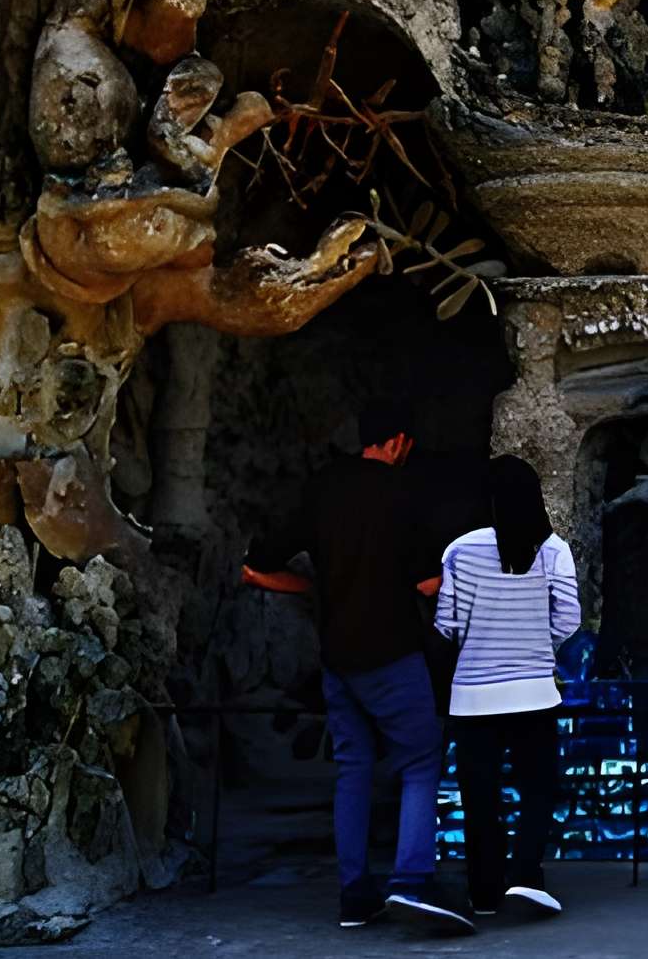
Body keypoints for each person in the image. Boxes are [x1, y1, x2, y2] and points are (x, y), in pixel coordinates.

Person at [244, 397, 466, 933]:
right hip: (392, 652)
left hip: (337, 658)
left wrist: (314, 590)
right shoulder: (403, 493)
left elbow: (255, 569)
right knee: (420, 760)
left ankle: (354, 895)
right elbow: (427, 584)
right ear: (398, 442)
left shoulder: (324, 487)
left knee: (353, 768)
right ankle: (412, 881)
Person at [435, 457, 582, 921]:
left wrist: (480, 642)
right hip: (534, 693)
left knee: (480, 797)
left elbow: (446, 623)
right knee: (538, 789)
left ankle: (484, 892)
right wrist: (537, 644)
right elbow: (569, 618)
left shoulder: (459, 550)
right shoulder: (553, 549)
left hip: (472, 697)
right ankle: (525, 877)